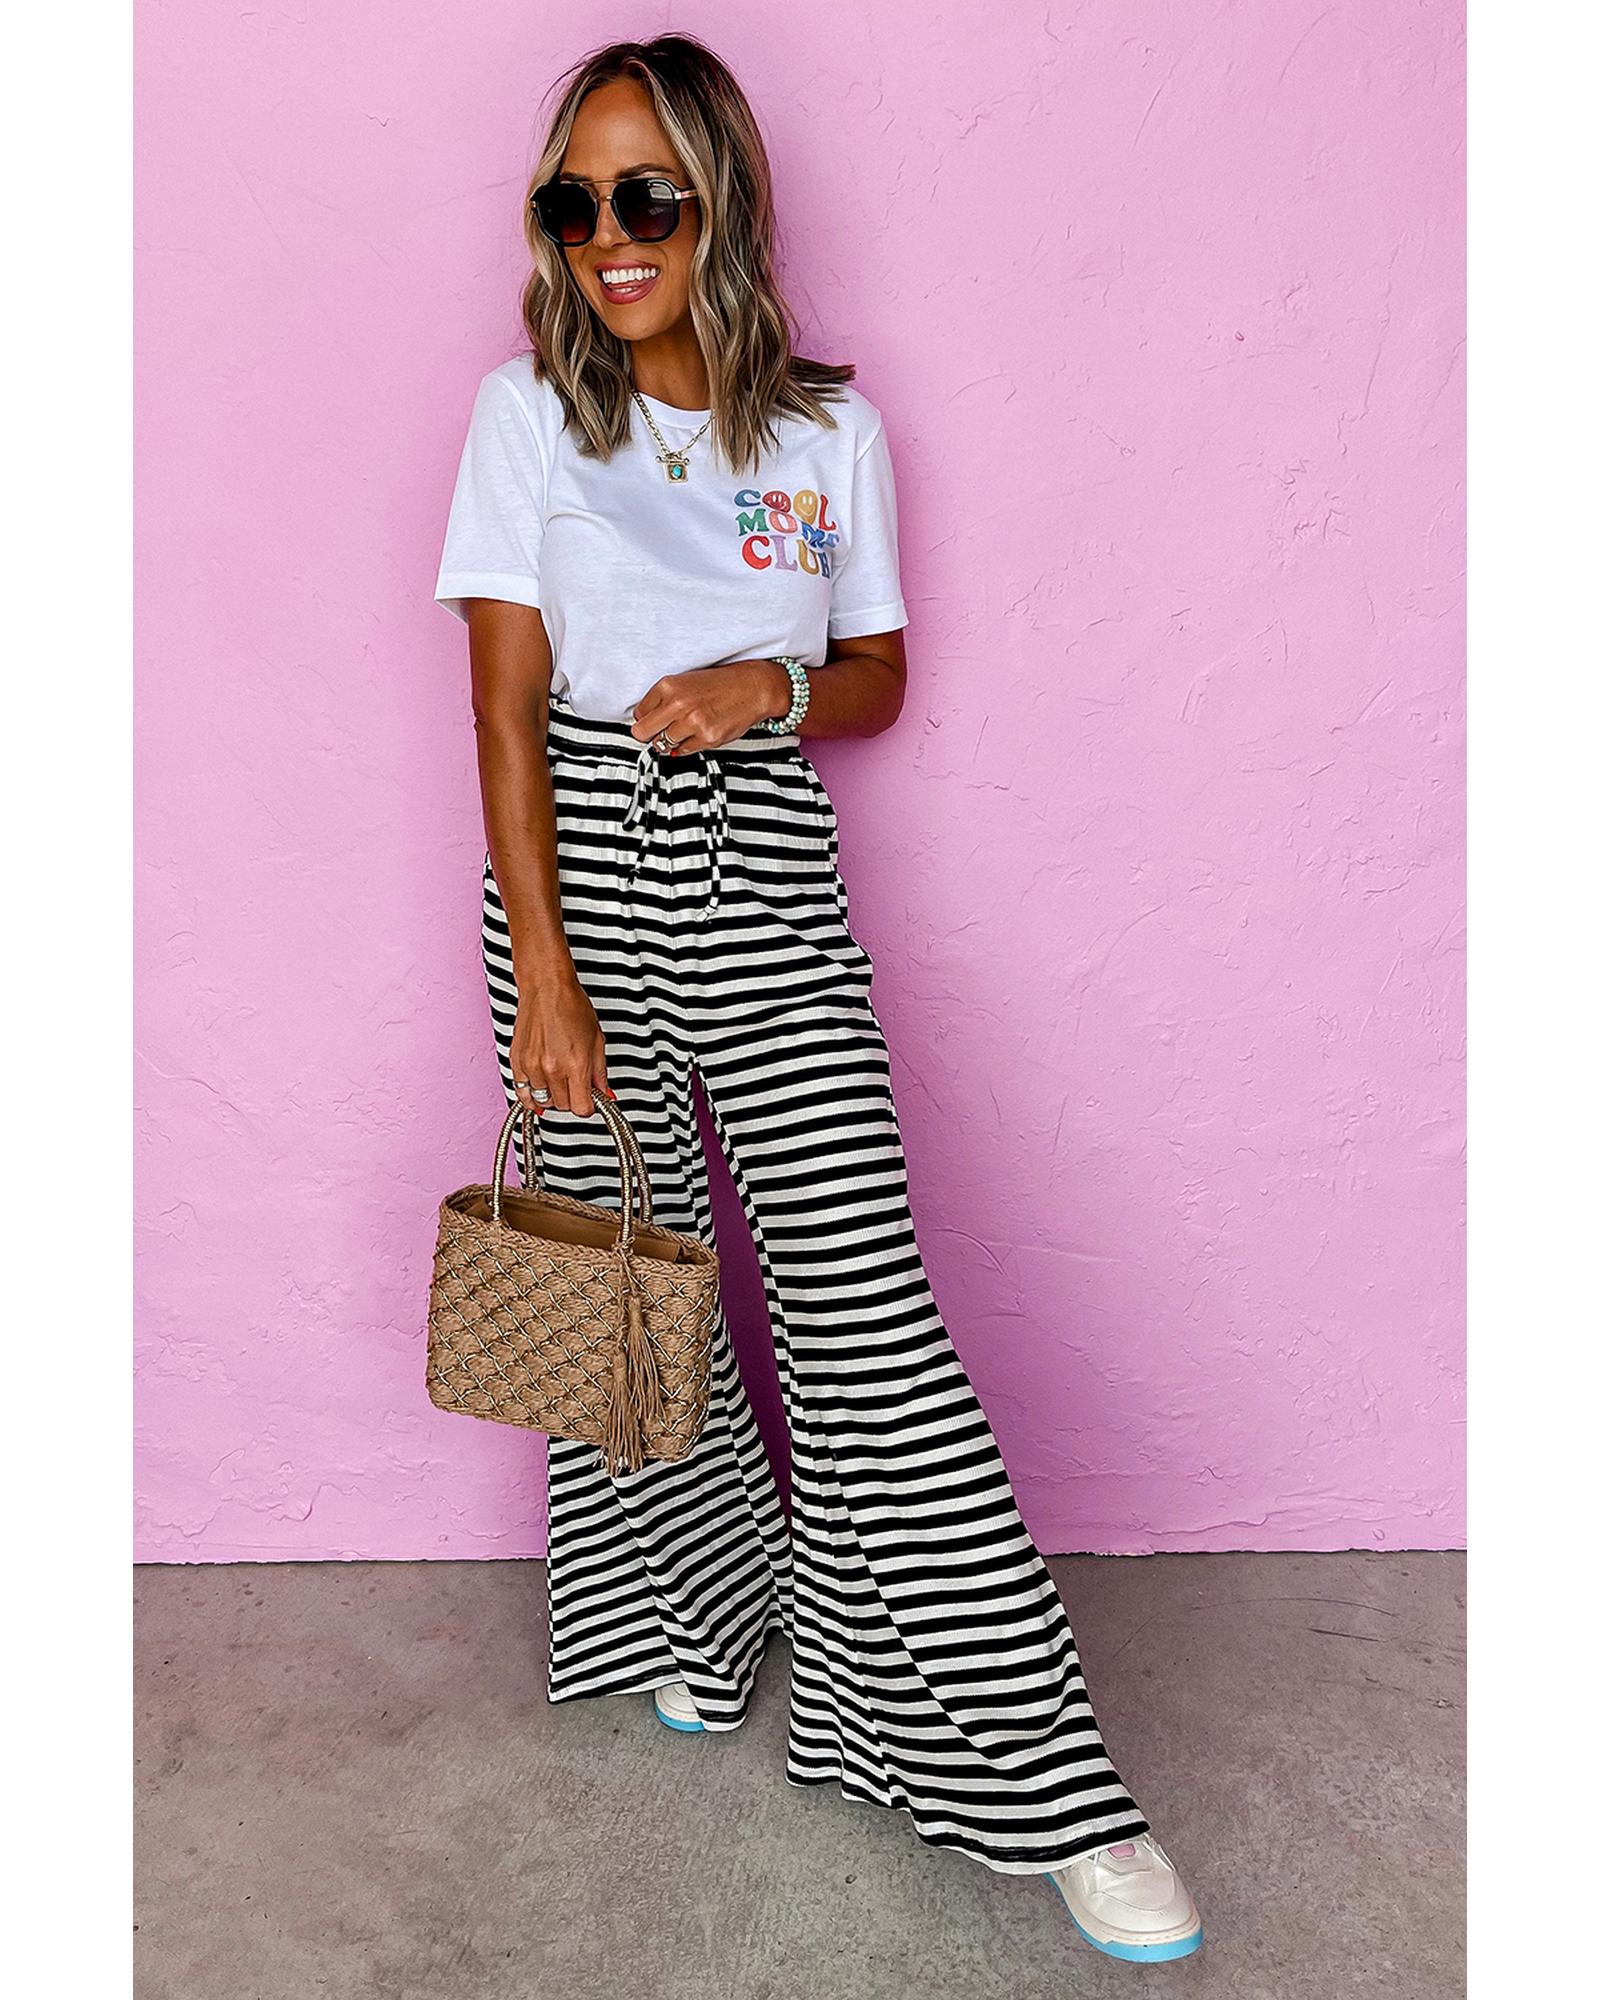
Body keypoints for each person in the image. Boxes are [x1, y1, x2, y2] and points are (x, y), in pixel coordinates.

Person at [433, 32, 1203, 1965]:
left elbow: (875, 673)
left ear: (725, 202)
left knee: (866, 1317)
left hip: (769, 861)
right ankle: (690, 1612)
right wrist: (544, 973)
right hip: (578, 868)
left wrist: (764, 689)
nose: (607, 235)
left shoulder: (831, 433)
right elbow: (506, 709)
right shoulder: (527, 416)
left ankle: (1042, 1784)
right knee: (634, 1274)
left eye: (647, 196)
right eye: (571, 201)